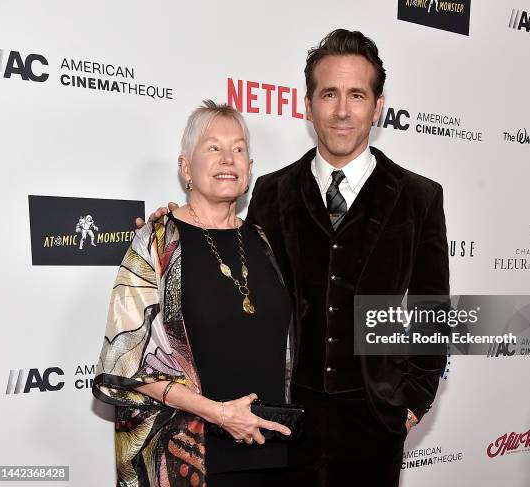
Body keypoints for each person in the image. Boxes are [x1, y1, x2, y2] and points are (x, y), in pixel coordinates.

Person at [143, 29, 449, 487]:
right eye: (329, 94)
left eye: (356, 95)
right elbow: (228, 248)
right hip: (281, 422)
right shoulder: (271, 190)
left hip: (374, 425)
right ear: (307, 106)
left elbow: (432, 313)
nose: (342, 110)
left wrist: (408, 407)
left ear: (378, 106)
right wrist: (173, 226)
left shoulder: (418, 197)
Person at [93, 100, 293, 487]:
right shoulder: (156, 243)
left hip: (271, 457)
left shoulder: (264, 242)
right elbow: (126, 363)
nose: (227, 158)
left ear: (250, 170)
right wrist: (220, 413)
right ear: (185, 167)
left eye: (238, 149)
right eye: (213, 147)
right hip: (188, 458)